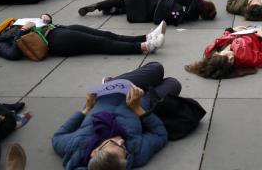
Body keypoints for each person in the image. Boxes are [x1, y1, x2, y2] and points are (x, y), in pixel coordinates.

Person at [52, 62, 180, 170]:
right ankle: (144, 87)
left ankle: (110, 81)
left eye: (113, 144)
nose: (121, 141)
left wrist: (86, 109)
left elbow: (58, 136)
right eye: (123, 149)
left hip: (112, 92)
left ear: (94, 152)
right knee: (174, 83)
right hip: (142, 101)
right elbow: (160, 135)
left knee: (157, 68)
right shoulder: (136, 153)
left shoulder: (75, 146)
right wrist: (138, 109)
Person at [185, 5, 262, 79]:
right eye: (231, 61)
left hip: (247, 32)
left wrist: (231, 30)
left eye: (227, 56)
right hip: (261, 37)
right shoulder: (243, 57)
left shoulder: (210, 51)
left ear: (216, 55)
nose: (232, 56)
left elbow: (222, 39)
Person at [0, 15, 167, 59]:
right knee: (102, 43)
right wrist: (22, 30)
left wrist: (45, 18)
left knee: (106, 34)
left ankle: (147, 36)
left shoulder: (7, 28)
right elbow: (12, 53)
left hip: (56, 29)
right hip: (55, 42)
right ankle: (144, 47)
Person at [77, 0, 217, 26]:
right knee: (129, 8)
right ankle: (116, 10)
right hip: (152, 10)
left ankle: (99, 5)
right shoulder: (191, 15)